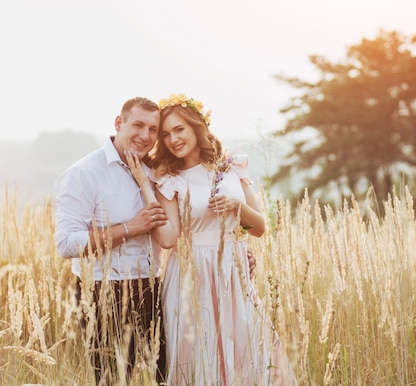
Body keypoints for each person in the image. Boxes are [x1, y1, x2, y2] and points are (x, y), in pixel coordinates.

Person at [127, 93, 298, 385]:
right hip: (191, 276)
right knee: (199, 355)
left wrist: (237, 207)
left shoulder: (230, 167)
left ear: (196, 126)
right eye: (166, 134)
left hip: (233, 272)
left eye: (179, 129)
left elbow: (259, 228)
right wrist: (146, 186)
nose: (173, 139)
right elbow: (168, 239)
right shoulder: (169, 178)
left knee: (247, 347)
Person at [54, 96, 168, 385]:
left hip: (153, 289)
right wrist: (130, 228)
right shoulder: (84, 173)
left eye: (153, 129)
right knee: (112, 380)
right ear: (119, 123)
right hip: (103, 293)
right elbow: (67, 244)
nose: (145, 136)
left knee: (166, 376)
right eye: (138, 125)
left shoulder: (156, 172)